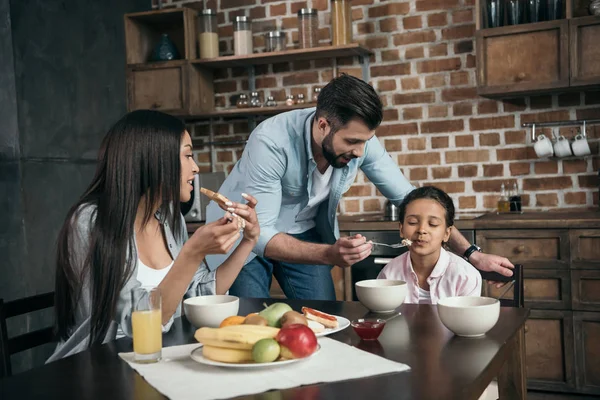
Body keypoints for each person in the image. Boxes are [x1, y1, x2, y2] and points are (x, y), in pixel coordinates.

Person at [205, 74, 513, 301]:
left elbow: (414, 200)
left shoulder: (360, 141)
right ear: (323, 125)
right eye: (352, 142)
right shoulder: (270, 142)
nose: (359, 153)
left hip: (302, 233)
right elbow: (260, 235)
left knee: (326, 318)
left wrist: (472, 254)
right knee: (246, 322)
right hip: (243, 236)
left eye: (365, 142)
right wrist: (329, 253)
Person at [48, 110, 259, 362]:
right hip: (100, 368)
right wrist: (193, 251)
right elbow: (136, 323)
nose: (195, 167)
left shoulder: (170, 217)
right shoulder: (90, 221)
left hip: (158, 359)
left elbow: (199, 296)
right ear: (155, 159)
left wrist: (247, 241)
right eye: (188, 155)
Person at [377, 186, 481, 303]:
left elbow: (466, 320)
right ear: (401, 229)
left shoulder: (465, 276)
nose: (421, 230)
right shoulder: (389, 274)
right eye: (413, 222)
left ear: (447, 233)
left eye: (433, 224)